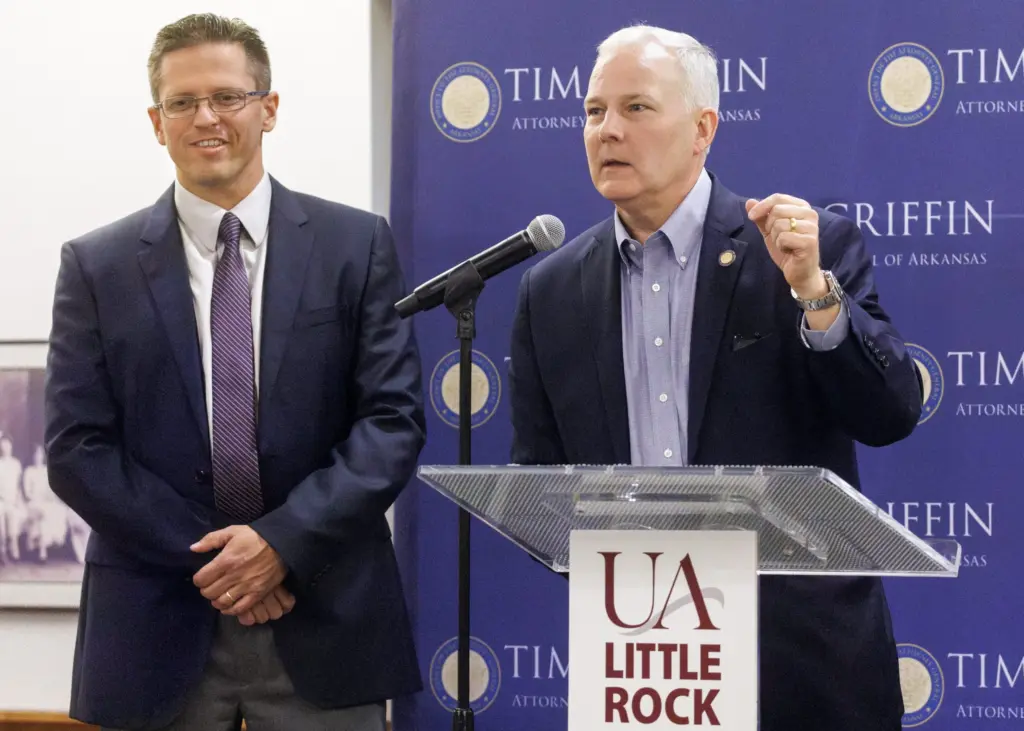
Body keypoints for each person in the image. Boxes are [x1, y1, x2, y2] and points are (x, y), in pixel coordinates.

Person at [507, 25, 922, 731]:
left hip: (800, 665)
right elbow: (543, 484)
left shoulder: (799, 252)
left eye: (636, 108)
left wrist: (816, 295)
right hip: (640, 668)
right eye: (593, 111)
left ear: (703, 130)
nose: (607, 130)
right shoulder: (550, 291)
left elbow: (890, 412)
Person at [44, 13, 424, 731]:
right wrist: (225, 562)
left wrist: (280, 543)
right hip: (155, 622)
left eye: (228, 96)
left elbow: (391, 422)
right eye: (182, 103)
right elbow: (76, 448)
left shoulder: (355, 245)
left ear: (269, 107)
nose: (206, 118)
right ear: (157, 122)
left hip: (325, 614)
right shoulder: (95, 267)